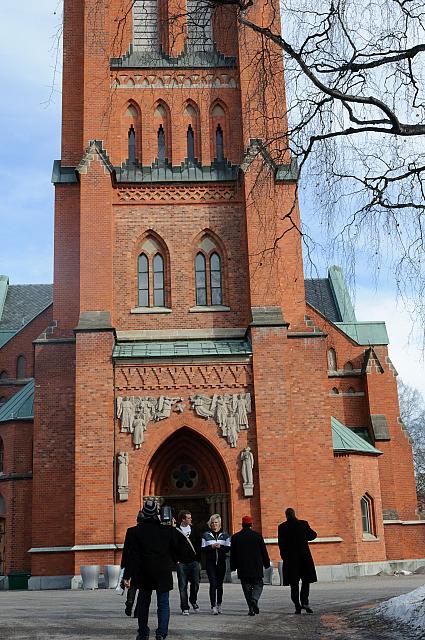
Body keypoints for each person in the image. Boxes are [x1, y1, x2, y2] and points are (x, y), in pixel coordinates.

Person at [123, 498, 180, 640]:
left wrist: (126, 576)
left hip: (143, 572)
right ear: (157, 513)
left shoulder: (133, 532)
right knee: (163, 603)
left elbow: (131, 556)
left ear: (142, 512)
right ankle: (161, 633)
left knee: (143, 602)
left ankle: (143, 633)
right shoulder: (168, 531)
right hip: (163, 571)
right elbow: (176, 550)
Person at [278, 507, 317, 614]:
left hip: (290, 560)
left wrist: (284, 556)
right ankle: (305, 602)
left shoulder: (282, 527)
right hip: (304, 558)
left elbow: (281, 544)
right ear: (294, 514)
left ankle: (297, 605)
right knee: (306, 581)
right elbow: (313, 535)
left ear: (286, 515)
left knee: (293, 584)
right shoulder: (303, 524)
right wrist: (303, 537)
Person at [230, 515, 270, 615]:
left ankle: (251, 609)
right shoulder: (257, 536)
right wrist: (267, 563)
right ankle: (255, 599)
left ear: (242, 525)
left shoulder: (235, 537)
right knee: (258, 584)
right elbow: (263, 551)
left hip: (242, 567)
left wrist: (233, 566)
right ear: (251, 524)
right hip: (256, 566)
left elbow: (233, 554)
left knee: (246, 588)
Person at [201, 513, 231, 614]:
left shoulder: (225, 535)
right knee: (213, 584)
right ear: (210, 524)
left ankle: (219, 604)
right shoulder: (205, 535)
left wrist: (220, 547)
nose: (214, 524)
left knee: (220, 585)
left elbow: (228, 548)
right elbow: (202, 549)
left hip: (221, 563)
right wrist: (211, 547)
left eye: (216, 522)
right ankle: (213, 606)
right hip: (210, 564)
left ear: (220, 524)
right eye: (212, 522)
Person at [175, 510, 202, 615]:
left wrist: (197, 559)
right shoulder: (176, 530)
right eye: (189, 518)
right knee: (182, 586)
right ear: (183, 519)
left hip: (194, 562)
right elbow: (172, 545)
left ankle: (193, 600)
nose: (191, 519)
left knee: (195, 583)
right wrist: (176, 560)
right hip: (181, 563)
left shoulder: (194, 530)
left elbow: (199, 543)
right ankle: (184, 607)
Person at [121, 510, 143, 617]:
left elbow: (126, 550)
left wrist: (123, 565)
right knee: (142, 587)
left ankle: (129, 602)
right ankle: (138, 610)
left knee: (132, 585)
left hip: (132, 562)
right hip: (145, 563)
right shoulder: (148, 532)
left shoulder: (130, 531)